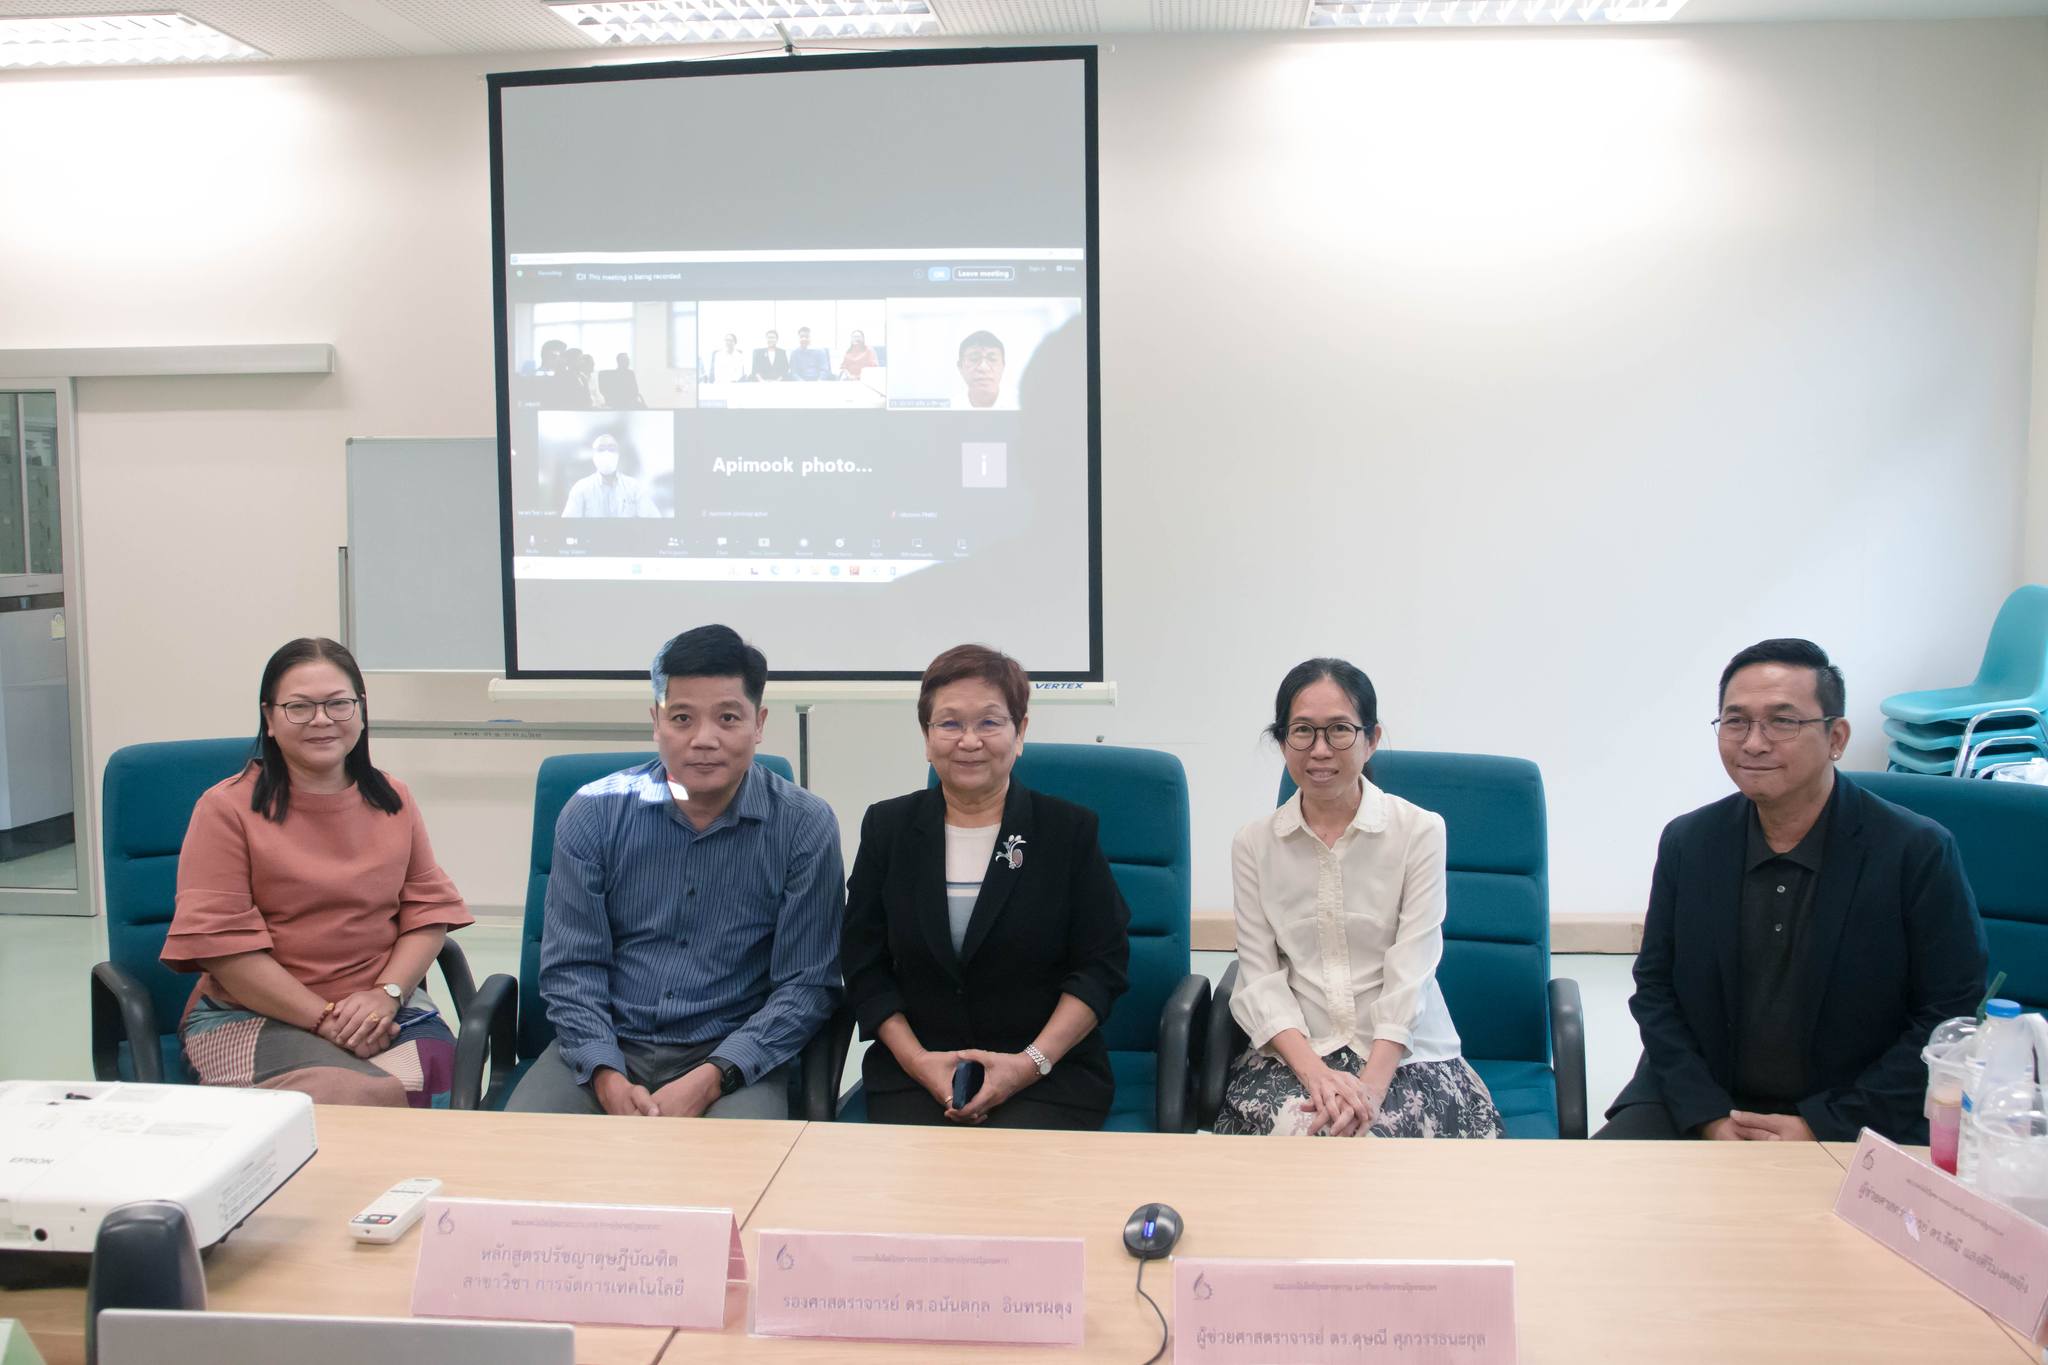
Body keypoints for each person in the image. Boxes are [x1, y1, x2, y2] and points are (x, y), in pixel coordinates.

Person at [1599, 638, 1987, 1143]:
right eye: (1736, 721)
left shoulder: (1915, 852)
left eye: (1782, 721)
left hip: (1859, 1109)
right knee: (1596, 1206)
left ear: (1836, 737)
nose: (1754, 742)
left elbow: (1947, 1013)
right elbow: (1656, 989)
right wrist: (1710, 1117)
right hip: (1701, 1100)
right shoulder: (1690, 842)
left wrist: (1824, 1125)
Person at [507, 625, 844, 1119]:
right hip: (602, 1048)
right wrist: (605, 1073)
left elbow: (806, 984)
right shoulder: (594, 813)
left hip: (730, 1060)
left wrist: (711, 1079)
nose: (704, 739)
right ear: (656, 722)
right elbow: (570, 969)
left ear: (759, 723)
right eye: (682, 718)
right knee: (516, 1163)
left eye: (728, 717)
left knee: (731, 1176)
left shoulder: (803, 825)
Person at [160, 638, 473, 1107]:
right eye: (299, 707)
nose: (322, 720)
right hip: (255, 1014)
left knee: (445, 1081)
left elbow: (428, 916)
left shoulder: (393, 798)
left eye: (338, 704)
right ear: (269, 718)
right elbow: (224, 950)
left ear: (360, 711)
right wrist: (325, 1018)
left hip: (381, 1007)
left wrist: (386, 994)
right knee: (349, 1097)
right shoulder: (225, 809)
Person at [841, 644, 1130, 1129]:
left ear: (1020, 732)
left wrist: (1029, 1063)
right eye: (949, 724)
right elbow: (863, 962)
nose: (969, 741)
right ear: (927, 737)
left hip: (1046, 1076)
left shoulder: (1066, 831)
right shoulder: (889, 828)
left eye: (990, 723)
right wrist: (917, 1061)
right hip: (917, 1074)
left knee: (1014, 1188)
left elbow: (1101, 966)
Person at [1213, 659, 1502, 1139]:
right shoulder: (1254, 844)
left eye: (1340, 730)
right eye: (1302, 730)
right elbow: (1259, 976)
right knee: (1300, 1135)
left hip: (1404, 1054)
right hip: (1295, 1056)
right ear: (1282, 740)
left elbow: (1413, 969)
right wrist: (1317, 1076)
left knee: (1384, 1143)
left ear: (1372, 739)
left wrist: (1368, 1089)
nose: (1320, 750)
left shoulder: (1419, 831)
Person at [560, 433, 661, 518]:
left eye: (612, 449)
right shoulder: (580, 488)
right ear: (593, 456)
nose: (606, 453)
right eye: (601, 449)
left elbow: (654, 519)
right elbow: (568, 524)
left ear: (618, 455)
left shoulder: (634, 487)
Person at [957, 329, 1005, 408]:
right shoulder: (952, 407)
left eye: (992, 359)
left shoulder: (1024, 404)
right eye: (974, 359)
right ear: (960, 367)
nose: (983, 368)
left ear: (1003, 366)